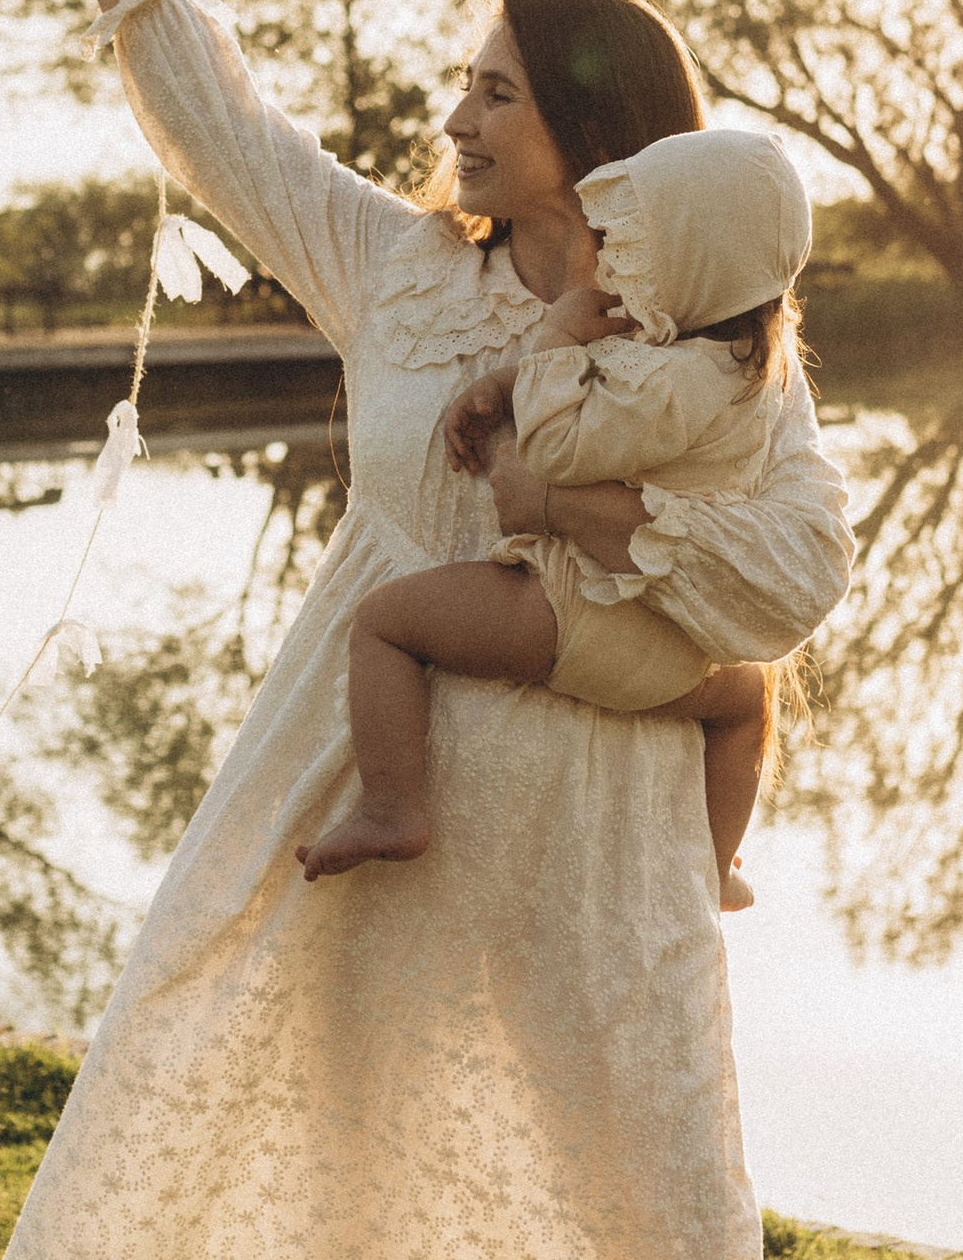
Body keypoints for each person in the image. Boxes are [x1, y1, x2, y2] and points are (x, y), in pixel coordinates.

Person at [0, 0, 951, 1260]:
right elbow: (219, 120)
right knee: (351, 1184)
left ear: (594, 137)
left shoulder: (711, 342)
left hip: (600, 818)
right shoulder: (396, 270)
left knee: (673, 1184)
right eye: (465, 82)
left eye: (494, 90)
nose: (456, 113)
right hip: (377, 789)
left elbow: (779, 578)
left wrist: (598, 534)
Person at [299, 125, 817, 912]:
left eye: (631, 252)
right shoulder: (747, 375)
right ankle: (715, 864)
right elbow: (617, 407)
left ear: (687, 264)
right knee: (749, 701)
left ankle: (392, 807)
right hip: (685, 647)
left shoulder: (664, 381)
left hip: (582, 612)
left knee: (385, 624)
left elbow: (556, 448)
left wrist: (553, 338)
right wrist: (510, 381)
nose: (611, 267)